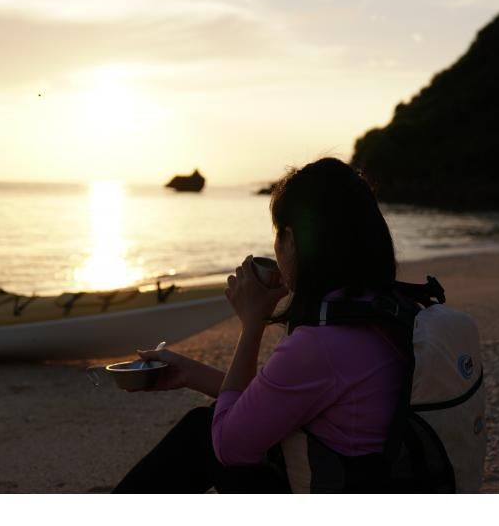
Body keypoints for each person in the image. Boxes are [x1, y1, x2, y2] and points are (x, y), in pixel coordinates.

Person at [111, 157, 408, 493]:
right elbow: (274, 400)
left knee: (204, 431)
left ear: (292, 240)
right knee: (207, 424)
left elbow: (228, 445)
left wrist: (252, 323)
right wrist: (189, 374)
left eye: (278, 237)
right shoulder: (381, 311)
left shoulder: (321, 345)